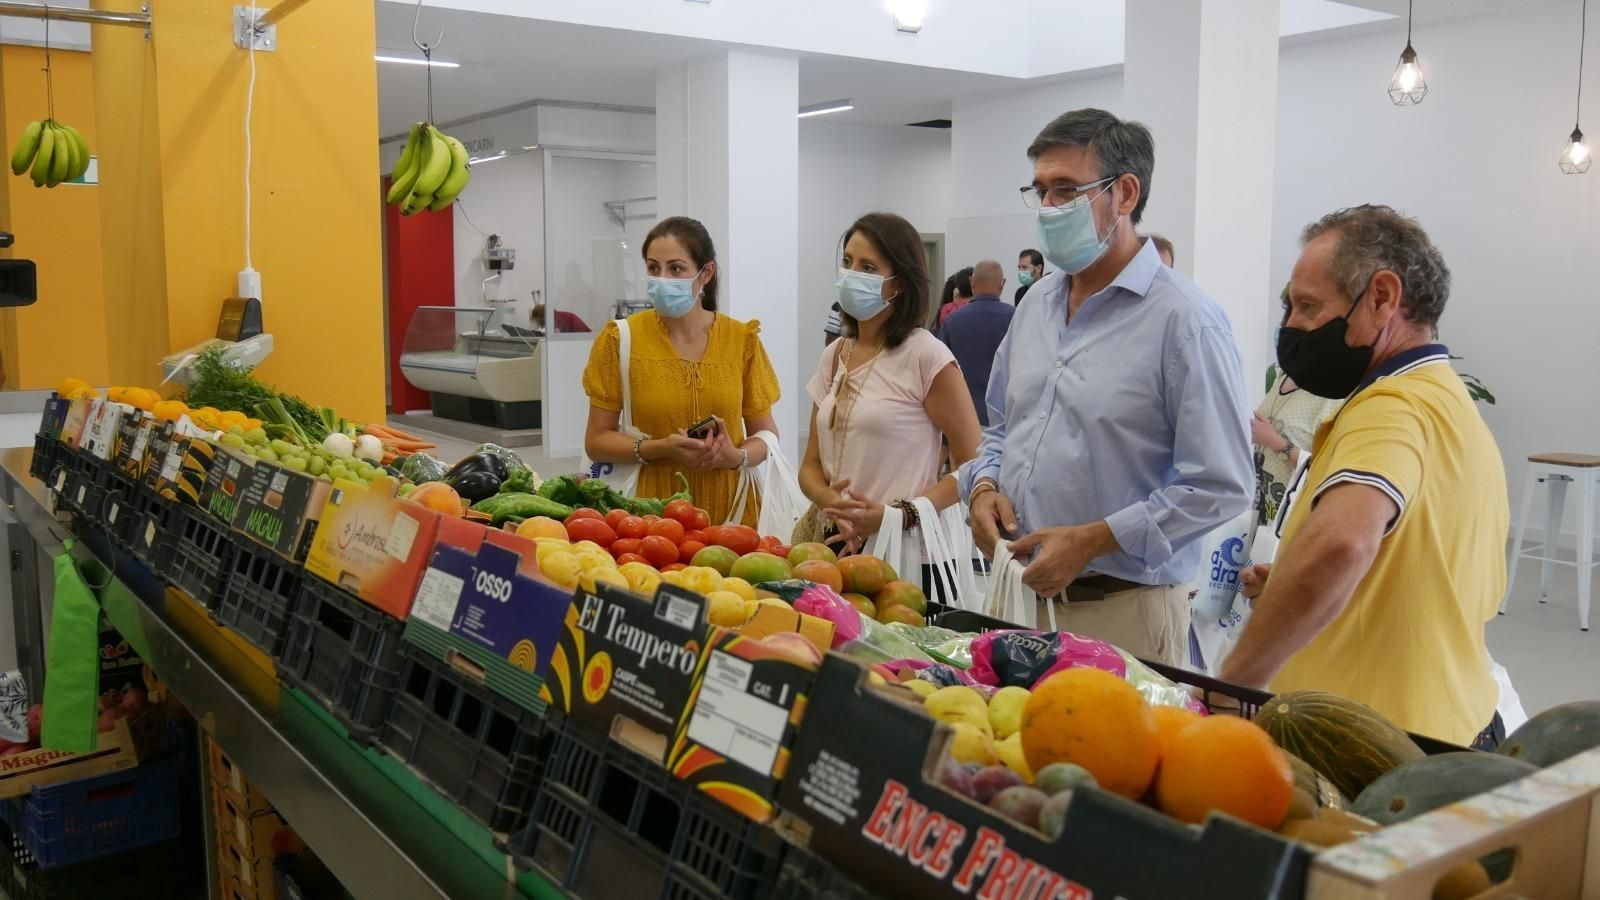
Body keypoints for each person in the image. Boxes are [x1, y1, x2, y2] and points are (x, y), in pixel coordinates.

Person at [960, 108, 1253, 665]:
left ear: (1124, 193)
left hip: (1122, 613)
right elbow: (1001, 427)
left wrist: (1096, 539)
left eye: (1067, 190)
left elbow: (1221, 484)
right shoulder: (1036, 307)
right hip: (1017, 600)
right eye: (1041, 191)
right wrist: (984, 487)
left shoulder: (1185, 323)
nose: (1048, 209)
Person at [1220, 206, 1509, 748]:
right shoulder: (1447, 403)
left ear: (1381, 297)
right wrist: (1289, 583)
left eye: (1308, 306)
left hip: (1376, 749)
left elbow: (1343, 545)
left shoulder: (1391, 407)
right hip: (1448, 725)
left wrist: (1230, 684)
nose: (1292, 328)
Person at [799, 212, 983, 593]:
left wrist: (897, 516)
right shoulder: (835, 355)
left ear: (899, 282)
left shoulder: (926, 356)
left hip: (912, 556)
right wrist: (833, 502)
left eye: (868, 267)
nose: (851, 275)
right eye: (847, 262)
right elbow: (811, 466)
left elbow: (972, 464)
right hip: (840, 544)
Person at [582, 216, 780, 526]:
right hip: (653, 514)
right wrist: (660, 449)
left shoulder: (742, 340)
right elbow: (596, 441)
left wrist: (735, 456)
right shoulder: (619, 340)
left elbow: (766, 434)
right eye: (652, 268)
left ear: (706, 273)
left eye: (675, 269)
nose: (661, 279)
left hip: (734, 512)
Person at [937, 259, 1013, 427]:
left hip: (962, 418)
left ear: (972, 282)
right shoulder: (1016, 319)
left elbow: (939, 372)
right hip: (1004, 420)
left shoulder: (952, 321)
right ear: (1002, 283)